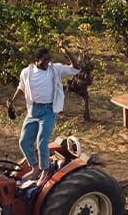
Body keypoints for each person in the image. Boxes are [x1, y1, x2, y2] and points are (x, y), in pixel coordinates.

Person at [6, 40, 80, 186]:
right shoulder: (26, 73)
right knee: (24, 142)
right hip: (33, 111)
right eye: (44, 60)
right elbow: (21, 88)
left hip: (48, 111)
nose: (47, 62)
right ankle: (35, 168)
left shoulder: (55, 69)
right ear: (36, 60)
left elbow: (76, 68)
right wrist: (12, 101)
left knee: (42, 142)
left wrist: (66, 51)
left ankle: (45, 170)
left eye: (49, 59)